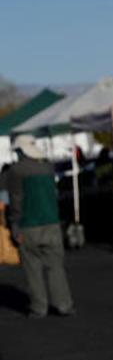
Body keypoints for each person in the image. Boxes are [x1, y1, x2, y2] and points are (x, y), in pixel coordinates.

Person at [6, 135, 74, 318]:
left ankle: (39, 307)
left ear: (21, 151)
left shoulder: (16, 171)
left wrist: (14, 226)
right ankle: (63, 305)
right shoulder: (48, 167)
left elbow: (16, 201)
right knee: (56, 267)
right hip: (51, 223)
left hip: (29, 226)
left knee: (33, 269)